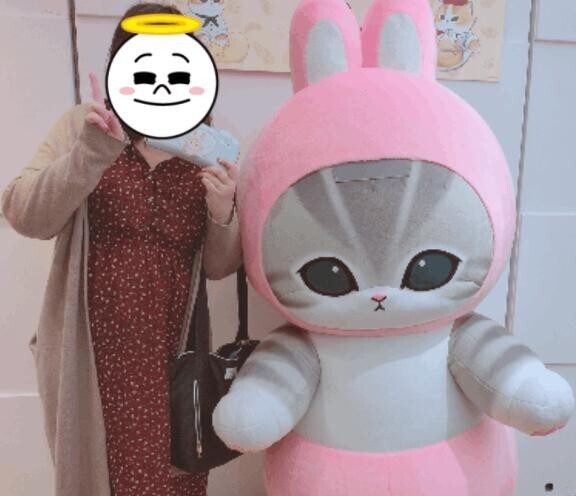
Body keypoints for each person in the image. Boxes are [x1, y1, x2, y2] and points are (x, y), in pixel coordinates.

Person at [1, 3, 241, 496]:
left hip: (173, 348)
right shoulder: (84, 126)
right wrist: (91, 152)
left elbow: (219, 267)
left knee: (173, 474)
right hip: (95, 350)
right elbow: (24, 213)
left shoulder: (208, 145)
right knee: (102, 476)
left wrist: (222, 212)